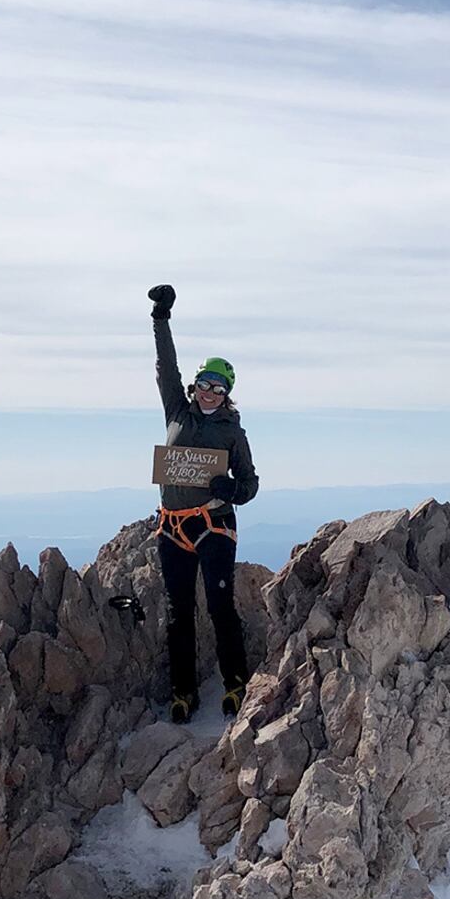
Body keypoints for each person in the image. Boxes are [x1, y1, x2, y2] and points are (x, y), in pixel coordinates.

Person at [147, 282, 258, 722]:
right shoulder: (177, 410)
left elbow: (249, 483)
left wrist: (232, 490)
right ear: (194, 386)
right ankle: (183, 693)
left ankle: (235, 683)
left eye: (218, 386)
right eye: (204, 383)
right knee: (178, 614)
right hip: (172, 527)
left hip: (214, 526)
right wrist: (161, 319)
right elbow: (165, 367)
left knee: (218, 605)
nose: (209, 391)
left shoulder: (233, 432)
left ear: (227, 392)